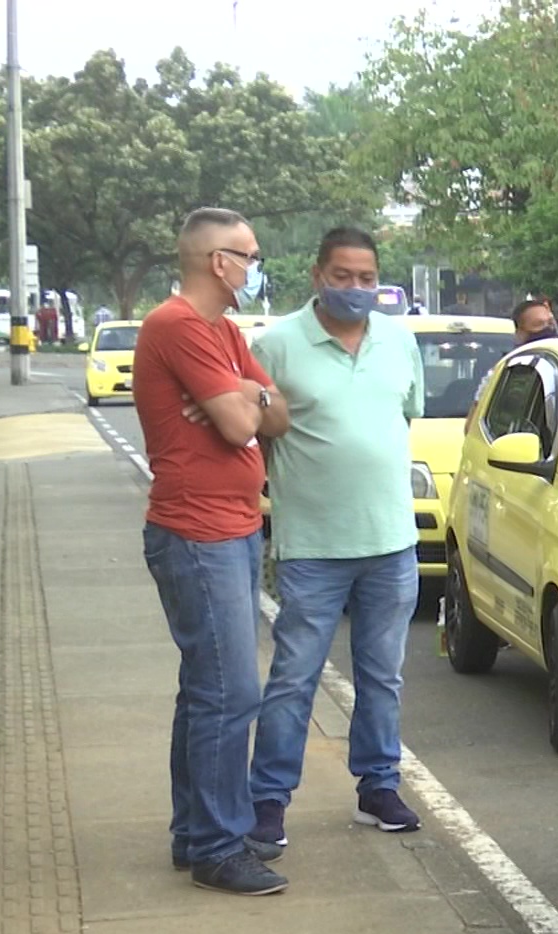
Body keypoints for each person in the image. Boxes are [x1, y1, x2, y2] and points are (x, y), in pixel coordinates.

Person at [248, 226, 425, 849]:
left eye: (367, 278)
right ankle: (267, 801)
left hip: (391, 545)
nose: (356, 288)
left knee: (384, 676)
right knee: (294, 678)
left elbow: (398, 421)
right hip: (313, 551)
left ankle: (378, 788)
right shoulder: (276, 347)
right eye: (343, 276)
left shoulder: (401, 344)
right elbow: (259, 435)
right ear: (318, 276)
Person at [134, 207, 292, 896]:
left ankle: (196, 832)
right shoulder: (177, 327)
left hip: (227, 527)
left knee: (207, 689)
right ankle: (220, 846)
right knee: (230, 693)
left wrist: (249, 390)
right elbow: (237, 428)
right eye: (249, 256)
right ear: (216, 263)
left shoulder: (226, 333)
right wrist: (243, 402)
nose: (256, 267)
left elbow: (277, 416)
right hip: (196, 531)